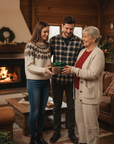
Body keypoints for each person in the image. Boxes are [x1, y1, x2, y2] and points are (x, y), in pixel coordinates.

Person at [62, 26, 105, 144]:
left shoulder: (98, 54)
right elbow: (79, 69)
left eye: (86, 36)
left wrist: (73, 70)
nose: (83, 39)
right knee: (80, 123)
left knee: (91, 126)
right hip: (78, 93)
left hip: (90, 95)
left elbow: (93, 73)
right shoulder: (82, 52)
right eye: (83, 36)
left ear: (94, 38)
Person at [50, 16, 85, 144]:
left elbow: (82, 62)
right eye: (67, 28)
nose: (69, 31)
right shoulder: (53, 40)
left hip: (72, 80)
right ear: (62, 25)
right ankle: (56, 132)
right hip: (56, 80)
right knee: (56, 107)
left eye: (71, 29)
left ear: (74, 27)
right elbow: (48, 58)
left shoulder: (79, 42)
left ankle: (71, 133)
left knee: (71, 108)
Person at [24, 21, 53, 144]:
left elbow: (46, 63)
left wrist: (51, 67)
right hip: (34, 82)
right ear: (39, 31)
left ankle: (40, 136)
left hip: (46, 82)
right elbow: (29, 66)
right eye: (44, 32)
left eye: (48, 32)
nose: (47, 34)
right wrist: (44, 69)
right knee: (34, 111)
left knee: (42, 111)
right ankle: (33, 138)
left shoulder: (47, 46)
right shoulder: (30, 46)